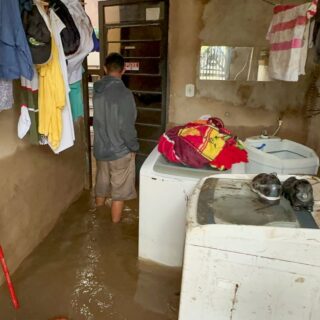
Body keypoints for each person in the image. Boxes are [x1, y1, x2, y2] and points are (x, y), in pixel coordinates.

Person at [93, 52, 139, 223]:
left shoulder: (97, 91)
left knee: (102, 185)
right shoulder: (125, 94)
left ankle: (96, 220)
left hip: (100, 149)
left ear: (105, 69)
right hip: (119, 151)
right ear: (124, 70)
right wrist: (133, 147)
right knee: (119, 192)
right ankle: (114, 229)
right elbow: (127, 127)